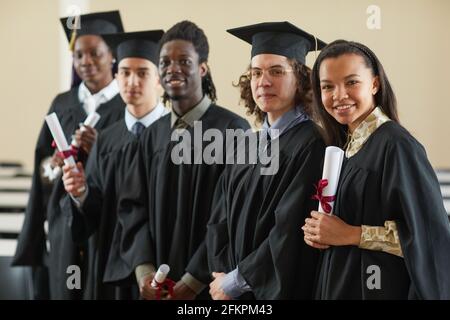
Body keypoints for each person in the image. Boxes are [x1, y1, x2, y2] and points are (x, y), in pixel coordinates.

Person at [110, 20, 250, 300]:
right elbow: (132, 207)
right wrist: (145, 271)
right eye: (165, 62)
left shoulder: (233, 130)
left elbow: (229, 215)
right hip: (156, 287)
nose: (173, 68)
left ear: (202, 68)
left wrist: (193, 280)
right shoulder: (152, 136)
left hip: (208, 287)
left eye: (184, 61)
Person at [303, 40, 450, 299]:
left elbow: (430, 238)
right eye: (328, 87)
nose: (339, 96)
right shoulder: (346, 146)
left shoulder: (396, 145)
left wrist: (351, 234)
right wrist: (321, 230)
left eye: (351, 82)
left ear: (374, 83)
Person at [193, 21, 326, 300]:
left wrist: (238, 280)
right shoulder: (247, 144)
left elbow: (290, 230)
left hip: (277, 291)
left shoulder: (313, 144)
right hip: (230, 291)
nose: (263, 81)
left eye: (276, 71)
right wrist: (223, 276)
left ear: (301, 79)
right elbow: (219, 220)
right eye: (256, 73)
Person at [12, 11, 125, 299]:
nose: (86, 62)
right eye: (78, 55)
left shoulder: (127, 105)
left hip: (108, 225)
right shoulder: (62, 104)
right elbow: (43, 171)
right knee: (67, 290)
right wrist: (53, 164)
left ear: (111, 55)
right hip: (64, 221)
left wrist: (99, 148)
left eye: (94, 53)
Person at [61, 30, 167, 300]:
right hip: (109, 262)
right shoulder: (107, 139)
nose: (132, 81)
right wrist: (80, 193)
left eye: (142, 72)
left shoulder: (175, 137)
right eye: (125, 72)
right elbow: (96, 212)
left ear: (159, 80)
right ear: (116, 76)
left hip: (160, 263)